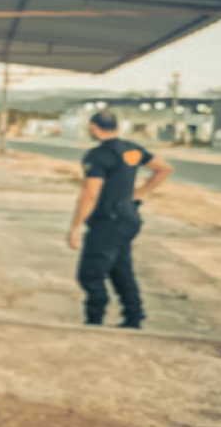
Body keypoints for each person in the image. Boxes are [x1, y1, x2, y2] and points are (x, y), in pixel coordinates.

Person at [67, 110, 172, 329]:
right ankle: (133, 318)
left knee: (90, 273)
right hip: (128, 218)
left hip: (107, 221)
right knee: (120, 270)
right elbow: (163, 169)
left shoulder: (98, 156)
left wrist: (75, 227)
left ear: (93, 127)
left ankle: (94, 321)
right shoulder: (131, 149)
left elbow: (90, 194)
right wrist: (138, 193)